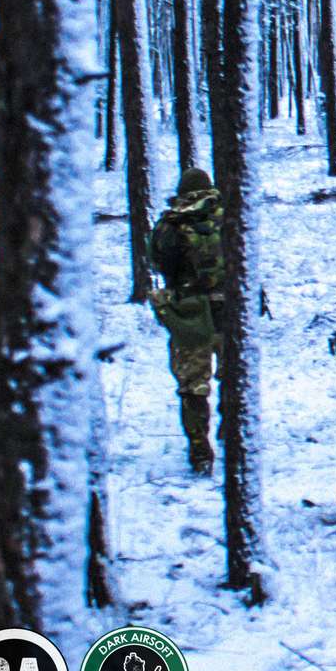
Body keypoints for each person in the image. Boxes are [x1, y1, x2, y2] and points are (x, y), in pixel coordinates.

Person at [148, 167, 225, 475]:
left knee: (193, 386)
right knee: (232, 376)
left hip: (189, 311)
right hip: (228, 310)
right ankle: (232, 429)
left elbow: (158, 260)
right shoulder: (228, 215)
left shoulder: (171, 223)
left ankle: (199, 450)